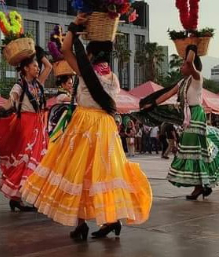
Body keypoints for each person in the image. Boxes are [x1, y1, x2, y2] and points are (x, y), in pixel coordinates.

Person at [21, 14, 151, 241]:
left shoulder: (84, 72)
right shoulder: (113, 77)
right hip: (106, 127)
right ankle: (110, 219)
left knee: (77, 173)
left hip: (84, 125)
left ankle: (81, 224)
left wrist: (75, 25)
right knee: (104, 174)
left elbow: (67, 49)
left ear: (90, 54)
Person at [138, 45, 219, 200]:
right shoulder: (182, 83)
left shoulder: (197, 78)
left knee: (193, 149)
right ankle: (202, 186)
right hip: (187, 116)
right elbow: (167, 94)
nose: (181, 67)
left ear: (191, 66)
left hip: (196, 113)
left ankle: (202, 186)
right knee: (195, 150)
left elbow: (190, 64)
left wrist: (191, 47)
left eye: (183, 64)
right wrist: (153, 104)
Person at [0, 46, 52, 211]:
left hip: (40, 126)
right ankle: (21, 198)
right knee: (26, 160)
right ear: (26, 68)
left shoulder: (38, 83)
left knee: (41, 160)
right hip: (26, 126)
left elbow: (49, 66)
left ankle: (21, 198)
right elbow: (9, 103)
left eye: (36, 65)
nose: (37, 68)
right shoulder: (19, 86)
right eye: (34, 65)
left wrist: (38, 54)